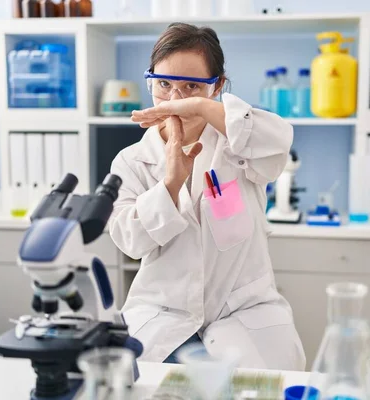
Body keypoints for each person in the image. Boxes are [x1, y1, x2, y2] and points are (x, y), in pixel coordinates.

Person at [109, 22, 305, 371]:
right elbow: (130, 242)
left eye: (192, 87)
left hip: (244, 314)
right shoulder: (132, 161)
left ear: (218, 86)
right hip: (163, 317)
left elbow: (279, 142)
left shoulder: (239, 145)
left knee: (258, 389)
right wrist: (170, 184)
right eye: (163, 84)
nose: (174, 100)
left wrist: (203, 110)